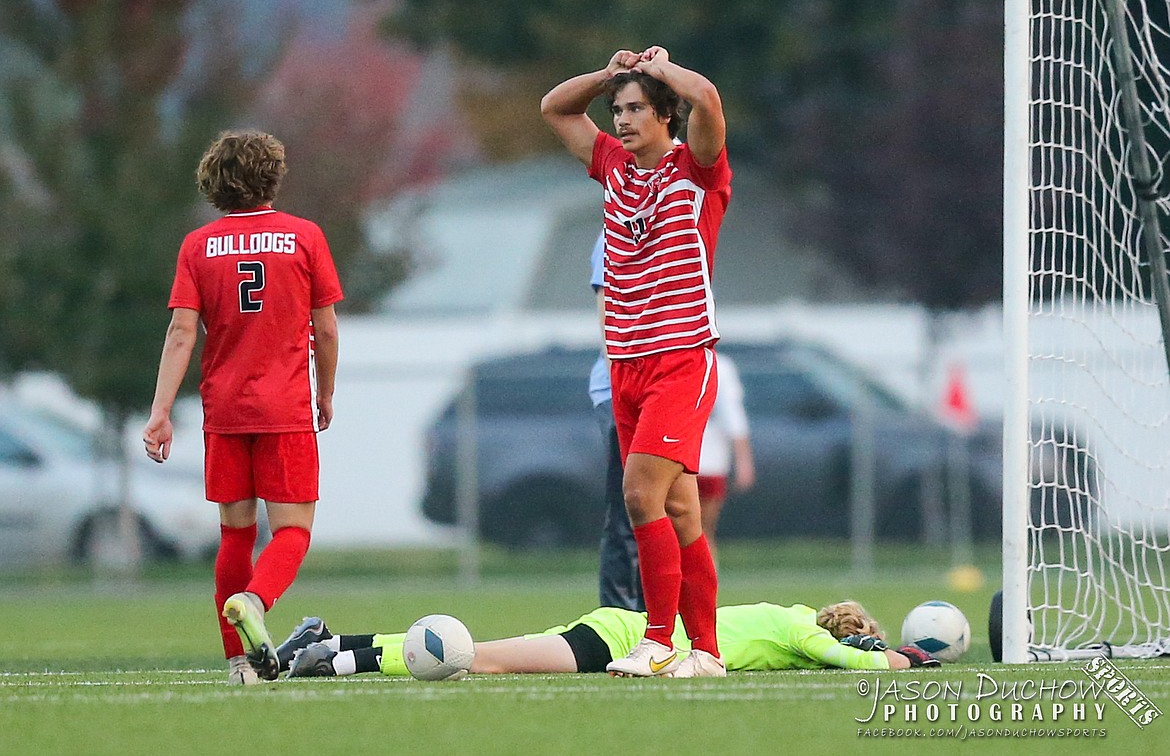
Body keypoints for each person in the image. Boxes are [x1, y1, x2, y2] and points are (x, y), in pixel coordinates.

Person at [541, 47, 731, 678]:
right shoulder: (613, 168)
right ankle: (706, 652)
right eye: (617, 110)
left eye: (635, 108)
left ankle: (657, 639)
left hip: (681, 358)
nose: (620, 120)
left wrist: (663, 68)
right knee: (679, 509)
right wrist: (607, 74)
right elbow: (554, 108)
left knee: (638, 494)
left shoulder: (696, 171)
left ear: (665, 114)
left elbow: (708, 99)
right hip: (624, 365)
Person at [142, 130, 343, 686]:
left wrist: (160, 411)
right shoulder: (304, 237)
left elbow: (183, 332)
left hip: (225, 411)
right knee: (293, 532)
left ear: (213, 182)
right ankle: (255, 602)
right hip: (283, 408)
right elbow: (324, 329)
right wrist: (324, 391)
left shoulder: (196, 246)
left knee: (234, 534)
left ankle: (239, 665)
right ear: (273, 176)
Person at [275, 600, 940, 679]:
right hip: (616, 636)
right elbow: (843, 659)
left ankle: (333, 642)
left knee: (489, 659)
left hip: (615, 628)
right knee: (478, 657)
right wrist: (907, 657)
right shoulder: (799, 630)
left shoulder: (783, 614)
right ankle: (339, 662)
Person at [589, 230, 643, 611]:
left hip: (666, 385)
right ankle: (621, 615)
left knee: (671, 509)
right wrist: (621, 378)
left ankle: (663, 615)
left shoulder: (680, 219)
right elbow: (607, 302)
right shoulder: (617, 229)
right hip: (622, 387)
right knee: (630, 506)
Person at [696, 353, 755, 563]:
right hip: (709, 462)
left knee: (687, 533)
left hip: (686, 459)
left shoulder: (718, 366)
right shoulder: (721, 366)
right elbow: (734, 417)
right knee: (701, 533)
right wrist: (743, 461)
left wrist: (743, 461)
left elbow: (732, 417)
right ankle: (700, 590)